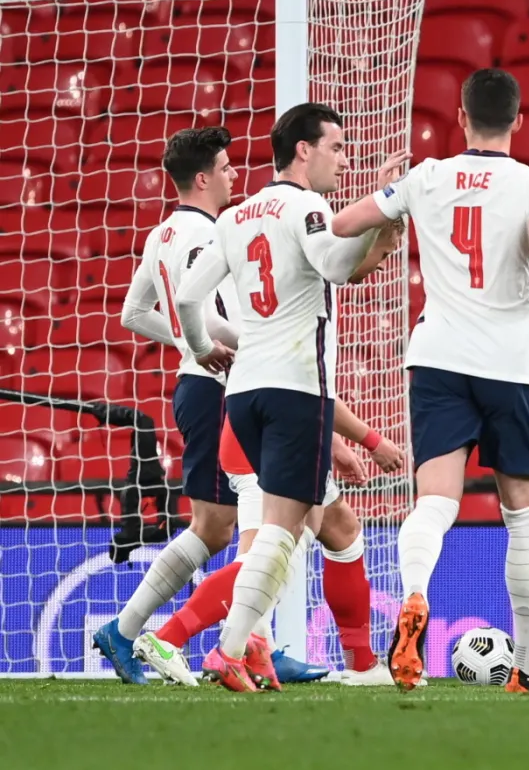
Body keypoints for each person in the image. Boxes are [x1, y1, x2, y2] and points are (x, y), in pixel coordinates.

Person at [330, 68, 529, 694]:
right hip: (510, 364)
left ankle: (414, 595)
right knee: (524, 517)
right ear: (519, 121)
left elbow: (343, 224)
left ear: (461, 117)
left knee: (434, 502)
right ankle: (524, 665)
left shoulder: (428, 176)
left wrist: (392, 189)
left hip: (437, 357)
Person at [173, 102, 406, 692]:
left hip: (243, 393)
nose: (342, 157)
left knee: (304, 527)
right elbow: (334, 263)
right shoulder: (308, 207)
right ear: (302, 149)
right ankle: (221, 648)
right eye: (335, 145)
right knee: (282, 537)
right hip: (295, 390)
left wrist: (203, 349)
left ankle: (242, 649)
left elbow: (187, 297)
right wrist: (380, 209)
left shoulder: (236, 215)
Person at [93, 127, 244, 684]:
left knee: (248, 522)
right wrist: (222, 347)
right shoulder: (207, 234)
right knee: (216, 528)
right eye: (226, 168)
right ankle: (129, 629)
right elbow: (201, 310)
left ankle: (251, 643)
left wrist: (187, 344)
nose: (234, 176)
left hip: (200, 386)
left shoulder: (163, 233)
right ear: (203, 178)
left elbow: (134, 313)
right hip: (217, 388)